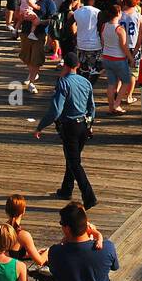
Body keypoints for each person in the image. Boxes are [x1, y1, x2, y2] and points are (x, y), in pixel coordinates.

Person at [35, 51, 99, 208]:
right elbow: (92, 107)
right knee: (72, 158)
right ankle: (66, 189)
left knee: (75, 162)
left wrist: (41, 126)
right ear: (77, 66)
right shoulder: (86, 82)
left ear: (65, 66)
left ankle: (89, 196)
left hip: (70, 126)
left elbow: (56, 110)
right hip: (83, 125)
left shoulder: (63, 83)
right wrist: (90, 125)